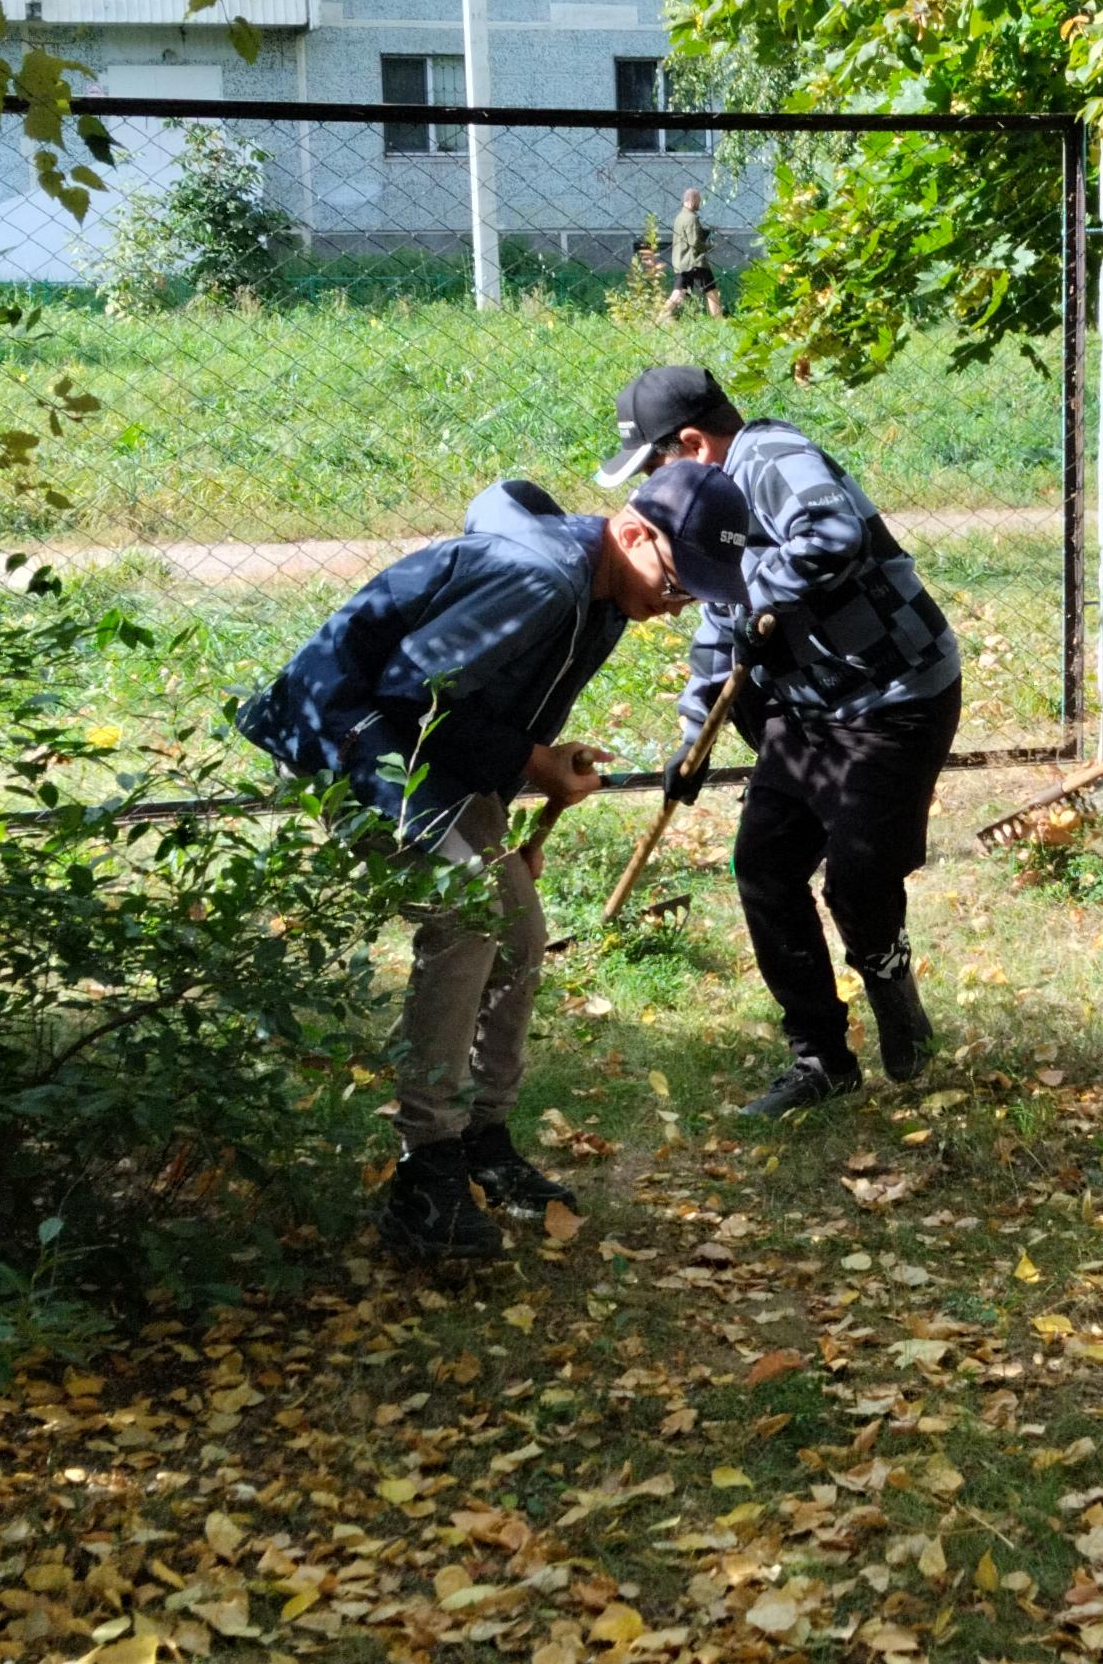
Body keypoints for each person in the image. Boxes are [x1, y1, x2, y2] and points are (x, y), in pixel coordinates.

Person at [236, 478, 688, 1266]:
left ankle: (482, 1141)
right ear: (633, 533)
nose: (679, 605)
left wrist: (514, 799)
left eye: (698, 595)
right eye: (678, 582)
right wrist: (534, 764)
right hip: (349, 739)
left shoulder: (607, 595)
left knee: (519, 932)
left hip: (422, 752)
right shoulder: (543, 578)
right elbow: (411, 696)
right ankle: (425, 1174)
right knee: (470, 913)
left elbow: (490, 705)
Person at [599, 364, 964, 1116]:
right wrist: (692, 735)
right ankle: (820, 1056)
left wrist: (751, 586)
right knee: (765, 867)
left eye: (655, 462)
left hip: (892, 698)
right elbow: (714, 622)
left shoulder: (771, 457)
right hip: (807, 710)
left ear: (693, 444)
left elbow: (832, 535)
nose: (651, 485)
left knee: (858, 882)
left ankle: (888, 979)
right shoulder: (707, 503)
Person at [665, 187, 723, 318]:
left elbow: (687, 237)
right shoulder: (692, 218)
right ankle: (719, 319)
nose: (699, 204)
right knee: (711, 289)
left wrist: (706, 232)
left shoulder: (680, 217)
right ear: (692, 200)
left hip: (681, 261)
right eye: (699, 200)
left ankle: (659, 318)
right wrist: (710, 247)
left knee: (678, 292)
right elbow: (694, 242)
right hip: (694, 262)